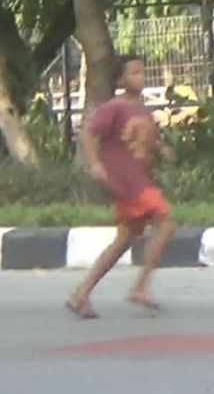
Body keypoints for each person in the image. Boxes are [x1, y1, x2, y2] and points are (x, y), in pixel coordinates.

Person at [65, 54, 177, 319]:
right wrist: (95, 164)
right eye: (134, 72)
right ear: (121, 79)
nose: (140, 77)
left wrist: (162, 150)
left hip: (139, 179)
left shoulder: (141, 108)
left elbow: (149, 138)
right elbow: (88, 134)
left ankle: (81, 293)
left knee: (124, 240)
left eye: (142, 71)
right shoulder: (114, 107)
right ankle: (140, 287)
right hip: (127, 181)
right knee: (166, 223)